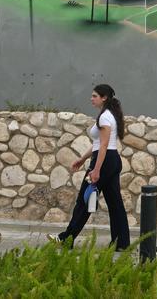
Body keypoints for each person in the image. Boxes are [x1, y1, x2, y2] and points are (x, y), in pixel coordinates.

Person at [50, 84, 130, 250]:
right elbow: (98, 143)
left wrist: (96, 169)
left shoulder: (104, 117)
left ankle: (66, 239)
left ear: (104, 98)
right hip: (112, 160)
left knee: (84, 200)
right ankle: (121, 243)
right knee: (115, 204)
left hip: (104, 161)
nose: (91, 99)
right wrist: (82, 159)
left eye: (94, 96)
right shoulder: (109, 115)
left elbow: (103, 145)